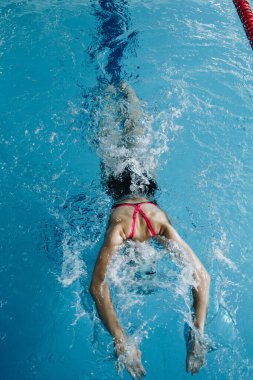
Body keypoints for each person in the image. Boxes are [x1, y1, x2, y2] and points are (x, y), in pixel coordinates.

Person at [90, 83, 211, 379]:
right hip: (119, 185)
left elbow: (99, 286)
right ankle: (120, 92)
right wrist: (198, 333)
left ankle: (118, 92)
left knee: (135, 137)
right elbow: (201, 276)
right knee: (112, 138)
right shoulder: (134, 229)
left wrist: (122, 338)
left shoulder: (149, 227)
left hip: (145, 186)